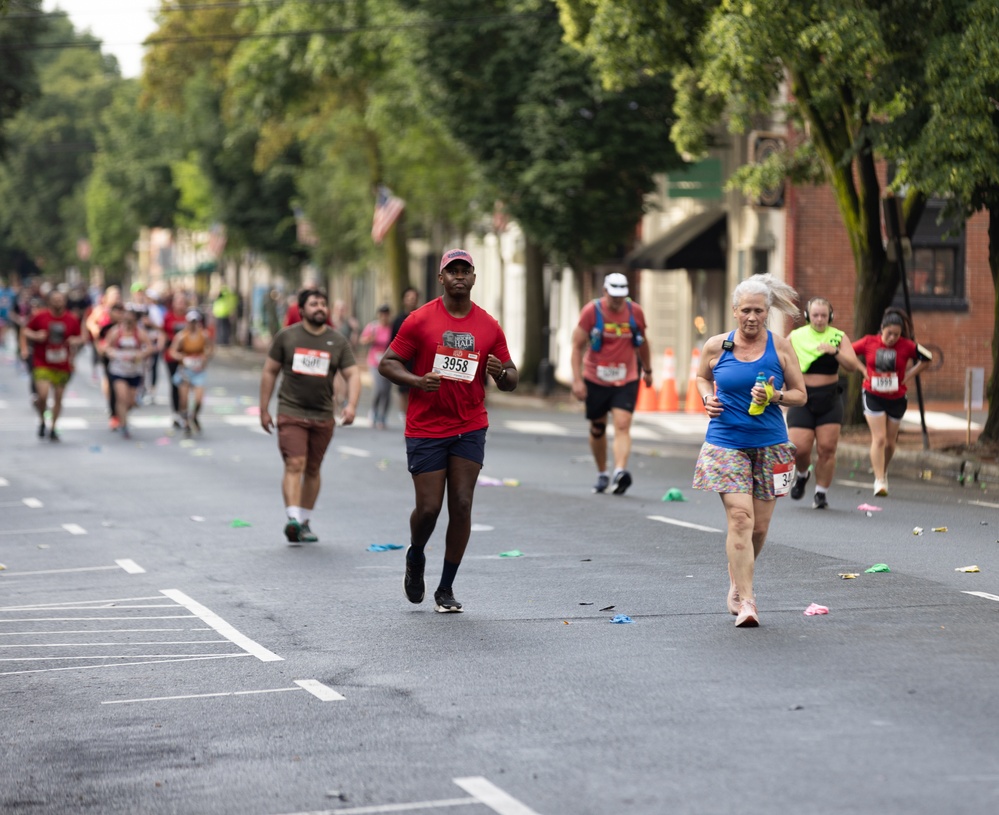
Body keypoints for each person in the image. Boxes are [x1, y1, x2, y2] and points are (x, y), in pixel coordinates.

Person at [379, 248, 518, 613]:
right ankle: (416, 554)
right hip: (426, 425)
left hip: (469, 424)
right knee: (428, 509)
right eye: (451, 270)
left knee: (462, 502)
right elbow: (387, 363)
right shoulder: (420, 320)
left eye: (465, 270)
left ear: (473, 278)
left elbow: (512, 376)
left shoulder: (488, 326)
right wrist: (416, 380)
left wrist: (500, 372)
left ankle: (445, 588)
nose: (459, 276)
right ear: (440, 278)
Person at [692, 274, 807, 627]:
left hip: (770, 444)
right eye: (746, 311)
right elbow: (701, 377)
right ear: (734, 311)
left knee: (759, 528)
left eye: (759, 310)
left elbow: (801, 394)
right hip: (726, 442)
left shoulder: (781, 347)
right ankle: (747, 600)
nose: (752, 317)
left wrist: (776, 397)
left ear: (768, 312)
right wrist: (707, 398)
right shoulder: (716, 346)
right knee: (740, 518)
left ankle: (736, 577)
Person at [259, 287, 361, 544]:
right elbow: (270, 371)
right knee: (295, 463)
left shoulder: (337, 341)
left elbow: (352, 373)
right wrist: (263, 408)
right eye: (314, 304)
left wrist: (351, 405)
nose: (320, 308)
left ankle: (304, 521)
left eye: (323, 304)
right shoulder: (287, 337)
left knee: (313, 468)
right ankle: (292, 518)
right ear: (302, 310)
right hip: (291, 411)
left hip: (323, 414)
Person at [570, 272, 653, 495]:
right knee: (598, 428)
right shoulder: (592, 311)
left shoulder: (634, 312)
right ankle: (602, 472)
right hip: (596, 377)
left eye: (621, 297)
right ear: (605, 292)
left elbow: (643, 342)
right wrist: (577, 380)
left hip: (627, 377)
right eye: (613, 296)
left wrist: (648, 369)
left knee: (623, 424)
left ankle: (619, 471)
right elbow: (577, 346)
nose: (617, 301)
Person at [785, 297, 864, 509]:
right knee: (799, 449)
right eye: (815, 315)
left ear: (830, 316)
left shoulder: (838, 337)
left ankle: (821, 493)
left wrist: (834, 352)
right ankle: (802, 474)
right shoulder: (796, 336)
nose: (819, 319)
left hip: (829, 398)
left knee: (827, 449)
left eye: (823, 315)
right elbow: (779, 359)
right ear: (807, 316)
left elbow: (852, 366)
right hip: (802, 397)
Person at [852, 308, 931, 497]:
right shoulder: (869, 341)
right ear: (882, 329)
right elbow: (848, 351)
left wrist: (909, 375)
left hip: (896, 397)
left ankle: (883, 471)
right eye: (889, 334)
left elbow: (927, 358)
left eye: (896, 334)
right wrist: (862, 370)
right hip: (873, 394)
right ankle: (879, 481)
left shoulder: (907, 345)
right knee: (879, 438)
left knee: (890, 442)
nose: (892, 338)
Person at [21, 290, 86, 441]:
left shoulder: (71, 318)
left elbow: (81, 338)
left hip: (62, 364)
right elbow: (25, 330)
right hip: (42, 362)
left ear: (64, 301)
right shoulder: (40, 316)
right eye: (55, 299)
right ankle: (43, 420)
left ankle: (53, 427)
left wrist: (75, 342)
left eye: (60, 299)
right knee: (42, 395)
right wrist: (36, 336)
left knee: (58, 397)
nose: (58, 302)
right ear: (49, 301)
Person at [103, 304, 153, 439]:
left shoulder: (140, 333)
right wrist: (112, 353)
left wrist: (140, 354)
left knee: (130, 402)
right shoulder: (115, 332)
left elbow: (149, 348)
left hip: (134, 371)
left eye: (131, 320)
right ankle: (124, 425)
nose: (128, 323)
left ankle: (122, 415)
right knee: (121, 397)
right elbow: (106, 347)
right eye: (126, 320)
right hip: (118, 370)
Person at [169, 309, 214, 436]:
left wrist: (205, 356)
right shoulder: (181, 336)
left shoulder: (204, 335)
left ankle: (194, 416)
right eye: (191, 322)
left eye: (195, 322)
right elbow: (172, 351)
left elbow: (210, 349)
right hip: (185, 370)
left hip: (198, 371)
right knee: (184, 399)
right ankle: (186, 422)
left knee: (199, 399)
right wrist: (182, 358)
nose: (193, 324)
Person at [360, 304, 394, 429]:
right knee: (379, 389)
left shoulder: (392, 328)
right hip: (374, 361)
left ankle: (383, 415)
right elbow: (362, 340)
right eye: (382, 314)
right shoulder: (373, 327)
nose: (384, 317)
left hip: (389, 362)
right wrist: (370, 339)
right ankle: (373, 412)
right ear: (378, 315)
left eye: (386, 314)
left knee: (387, 390)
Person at [390, 287, 420, 414]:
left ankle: (414, 414)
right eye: (408, 298)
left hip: (418, 360)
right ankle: (405, 416)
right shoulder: (398, 320)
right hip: (404, 360)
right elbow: (392, 340)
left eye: (413, 298)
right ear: (403, 300)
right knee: (403, 390)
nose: (411, 301)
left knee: (417, 388)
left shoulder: (421, 317)